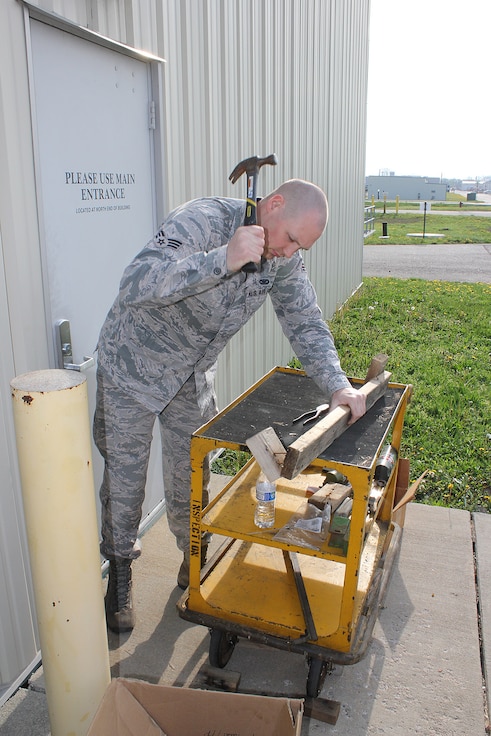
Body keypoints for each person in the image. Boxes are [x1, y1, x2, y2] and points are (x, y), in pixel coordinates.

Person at [94, 179, 366, 633]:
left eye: (302, 246)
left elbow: (306, 322)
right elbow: (136, 282)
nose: (290, 251)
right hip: (134, 368)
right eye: (292, 239)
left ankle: (191, 559)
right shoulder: (203, 220)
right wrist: (220, 259)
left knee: (192, 479)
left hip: (190, 377)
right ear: (273, 206)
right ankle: (119, 575)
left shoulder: (283, 260)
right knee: (125, 482)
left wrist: (338, 386)